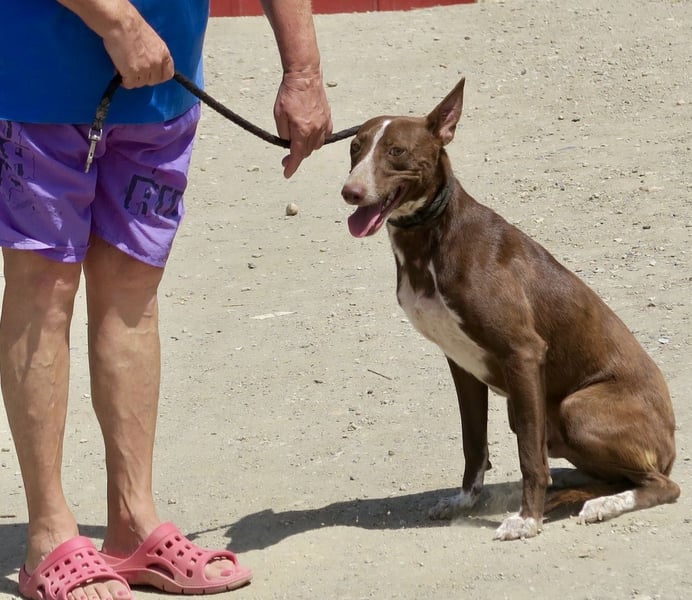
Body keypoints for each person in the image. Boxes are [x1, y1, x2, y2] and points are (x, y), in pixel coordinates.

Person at [0, 1, 332, 599]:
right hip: (36, 80)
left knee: (133, 292)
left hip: (162, 88)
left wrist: (302, 70)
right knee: (43, 289)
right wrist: (119, 23)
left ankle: (133, 521)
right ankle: (48, 534)